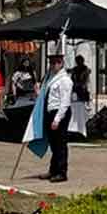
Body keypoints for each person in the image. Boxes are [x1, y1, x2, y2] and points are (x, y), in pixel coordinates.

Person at [37, 54, 73, 183]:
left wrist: (57, 119)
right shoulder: (52, 78)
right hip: (50, 111)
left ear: (61, 63)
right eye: (51, 63)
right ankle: (53, 170)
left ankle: (62, 172)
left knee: (60, 144)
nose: (53, 65)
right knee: (53, 144)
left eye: (56, 62)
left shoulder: (65, 80)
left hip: (60, 113)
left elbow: (65, 102)